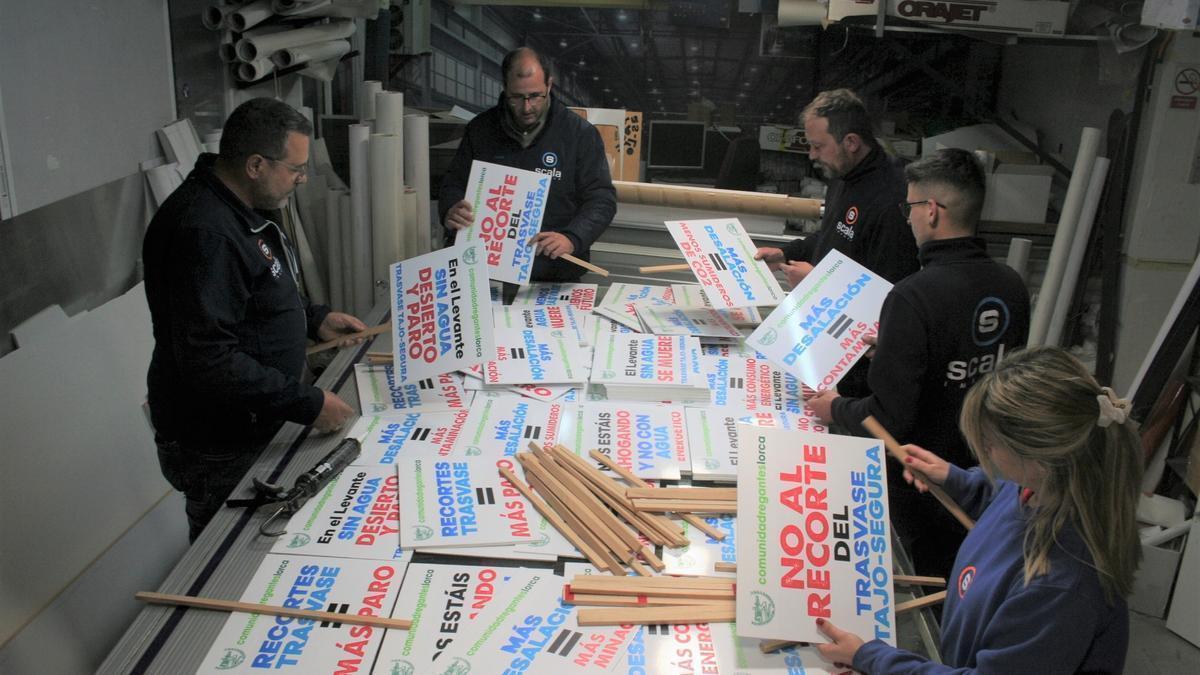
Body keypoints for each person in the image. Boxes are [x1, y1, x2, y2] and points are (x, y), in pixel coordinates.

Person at [813, 346, 1141, 674]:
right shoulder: (1042, 488)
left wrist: (872, 658)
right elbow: (1004, 505)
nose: (983, 450)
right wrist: (955, 480)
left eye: (988, 444)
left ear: (1039, 458)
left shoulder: (1059, 588)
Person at [144, 98, 365, 542]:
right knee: (229, 550)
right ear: (256, 165)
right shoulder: (204, 232)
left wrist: (312, 319)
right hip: (217, 440)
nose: (302, 179)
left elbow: (255, 296)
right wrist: (306, 404)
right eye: (295, 168)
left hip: (249, 421)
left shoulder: (239, 210)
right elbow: (208, 359)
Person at [806, 148, 1030, 578]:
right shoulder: (1012, 286)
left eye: (908, 208)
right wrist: (894, 349)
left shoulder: (913, 295)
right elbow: (979, 363)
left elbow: (890, 417)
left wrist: (832, 406)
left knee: (929, 582)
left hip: (921, 483)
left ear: (931, 211)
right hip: (989, 475)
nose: (906, 219)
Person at [438, 46, 616, 282]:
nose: (526, 107)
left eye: (535, 96)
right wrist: (451, 208)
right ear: (504, 87)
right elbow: (453, 183)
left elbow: (601, 199)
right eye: (516, 97)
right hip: (486, 273)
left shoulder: (578, 134)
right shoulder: (481, 130)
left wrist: (572, 238)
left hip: (555, 273)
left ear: (549, 86)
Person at [755, 88, 918, 289]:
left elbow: (890, 293)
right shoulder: (843, 174)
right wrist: (786, 253)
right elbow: (833, 235)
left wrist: (818, 284)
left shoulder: (893, 201)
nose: (812, 155)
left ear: (851, 142)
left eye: (818, 146)